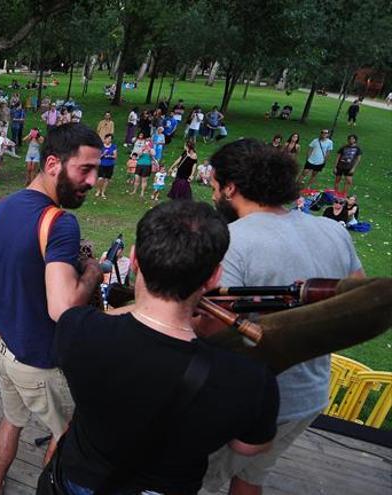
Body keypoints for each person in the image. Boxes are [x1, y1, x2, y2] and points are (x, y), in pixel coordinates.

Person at [48, 200, 279, 495]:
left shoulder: (77, 329)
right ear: (214, 277)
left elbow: (126, 328)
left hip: (78, 482)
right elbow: (249, 447)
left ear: (133, 260)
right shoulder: (251, 380)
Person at [201, 139, 364, 495]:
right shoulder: (333, 230)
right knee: (251, 478)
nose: (213, 195)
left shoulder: (231, 240)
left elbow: (212, 328)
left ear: (230, 187)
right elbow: (358, 303)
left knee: (189, 479)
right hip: (311, 394)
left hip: (251, 405)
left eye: (215, 186)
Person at [0, 123, 103, 495]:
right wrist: (92, 273)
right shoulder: (61, 223)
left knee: (11, 419)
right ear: (52, 164)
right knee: (67, 436)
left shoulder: (3, 205)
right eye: (85, 169)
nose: (93, 180)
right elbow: (63, 307)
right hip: (38, 360)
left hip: (0, 346)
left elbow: (22, 268)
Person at [95, 133, 117, 199]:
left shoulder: (113, 146)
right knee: (100, 178)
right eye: (107, 139)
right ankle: (98, 190)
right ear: (105, 139)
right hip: (101, 164)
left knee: (107, 179)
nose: (108, 140)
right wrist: (103, 154)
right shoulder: (101, 146)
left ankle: (103, 192)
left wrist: (109, 156)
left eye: (110, 139)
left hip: (110, 164)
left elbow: (115, 156)